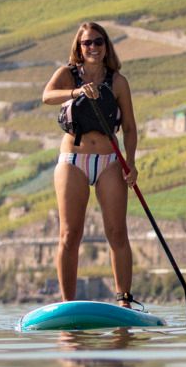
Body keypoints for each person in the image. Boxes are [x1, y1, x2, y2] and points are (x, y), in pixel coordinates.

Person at [41, 20, 140, 305]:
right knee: (70, 234)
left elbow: (131, 128)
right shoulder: (67, 75)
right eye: (87, 43)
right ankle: (67, 303)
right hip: (73, 160)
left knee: (117, 232)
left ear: (106, 46)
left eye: (99, 42)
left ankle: (124, 300)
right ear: (79, 47)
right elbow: (46, 96)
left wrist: (130, 163)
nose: (93, 47)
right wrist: (77, 92)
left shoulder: (118, 82)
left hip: (110, 161)